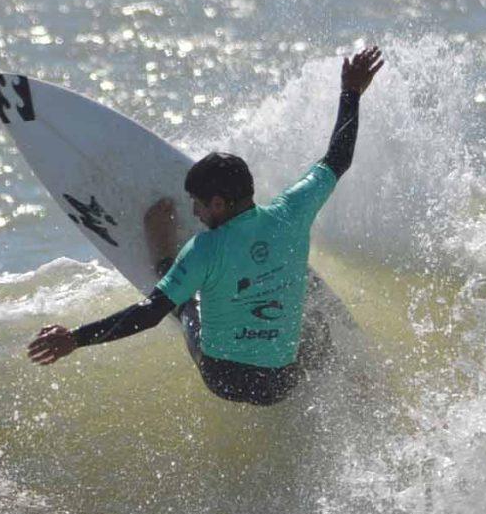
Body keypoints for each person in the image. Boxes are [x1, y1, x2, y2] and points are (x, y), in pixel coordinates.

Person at [27, 45, 383, 406]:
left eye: (197, 204)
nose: (194, 213)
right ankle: (353, 383)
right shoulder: (293, 211)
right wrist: (351, 91)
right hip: (282, 382)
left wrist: (74, 339)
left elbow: (149, 314)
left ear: (217, 203)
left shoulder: (203, 251)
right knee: (318, 330)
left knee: (185, 307)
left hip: (225, 379)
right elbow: (338, 159)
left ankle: (163, 257)